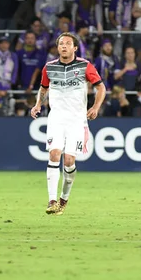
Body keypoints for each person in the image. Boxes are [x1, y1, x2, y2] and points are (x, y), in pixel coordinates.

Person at [30, 32, 106, 215]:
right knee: (54, 154)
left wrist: (95, 107)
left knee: (69, 161)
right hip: (56, 119)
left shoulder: (85, 66)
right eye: (61, 44)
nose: (63, 46)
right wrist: (38, 104)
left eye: (67, 43)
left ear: (75, 48)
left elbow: (101, 87)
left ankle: (63, 199)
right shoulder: (49, 67)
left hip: (77, 120)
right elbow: (43, 88)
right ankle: (51, 200)